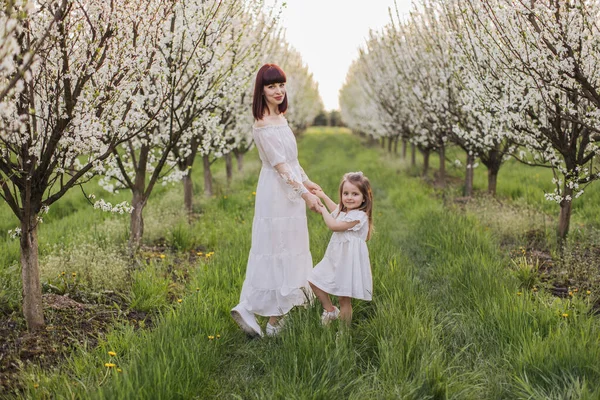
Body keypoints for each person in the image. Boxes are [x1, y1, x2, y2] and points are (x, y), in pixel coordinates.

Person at [231, 64, 323, 338]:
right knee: (274, 249)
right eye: (271, 86)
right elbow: (281, 167)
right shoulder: (262, 125)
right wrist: (305, 195)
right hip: (276, 192)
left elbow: (292, 162)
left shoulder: (281, 120)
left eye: (281, 85)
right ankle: (252, 308)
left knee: (289, 248)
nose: (278, 91)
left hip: (290, 191)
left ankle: (274, 320)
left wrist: (306, 182)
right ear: (261, 91)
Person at [308, 172, 374, 326]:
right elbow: (337, 211)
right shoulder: (347, 212)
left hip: (349, 262)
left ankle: (343, 334)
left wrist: (322, 209)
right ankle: (330, 311)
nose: (349, 197)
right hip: (335, 258)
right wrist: (323, 196)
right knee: (313, 280)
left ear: (364, 197)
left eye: (355, 194)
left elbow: (334, 226)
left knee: (344, 298)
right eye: (346, 193)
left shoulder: (360, 216)